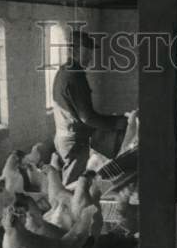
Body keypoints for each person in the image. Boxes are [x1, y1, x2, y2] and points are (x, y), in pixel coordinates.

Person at [46, 29, 126, 187]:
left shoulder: (64, 70)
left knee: (69, 184)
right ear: (74, 50)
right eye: (86, 52)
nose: (90, 57)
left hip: (64, 136)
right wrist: (116, 122)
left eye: (91, 52)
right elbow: (87, 117)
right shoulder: (75, 75)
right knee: (72, 187)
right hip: (74, 141)